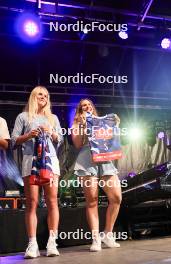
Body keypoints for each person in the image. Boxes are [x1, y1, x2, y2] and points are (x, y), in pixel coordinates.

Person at [12, 86, 63, 258]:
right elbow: (13, 140)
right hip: (30, 163)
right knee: (32, 202)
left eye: (46, 95)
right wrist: (28, 135)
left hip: (50, 164)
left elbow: (61, 140)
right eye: (40, 94)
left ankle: (52, 242)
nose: (44, 97)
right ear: (33, 96)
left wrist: (53, 134)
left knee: (52, 201)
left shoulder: (53, 118)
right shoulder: (23, 117)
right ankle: (32, 244)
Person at [71, 99, 122, 252]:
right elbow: (78, 144)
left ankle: (107, 233)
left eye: (89, 105)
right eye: (83, 106)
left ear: (93, 107)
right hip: (87, 159)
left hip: (104, 159)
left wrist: (115, 125)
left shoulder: (102, 122)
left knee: (116, 198)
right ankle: (95, 239)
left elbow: (112, 140)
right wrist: (81, 125)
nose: (87, 107)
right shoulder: (76, 124)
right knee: (92, 200)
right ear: (79, 110)